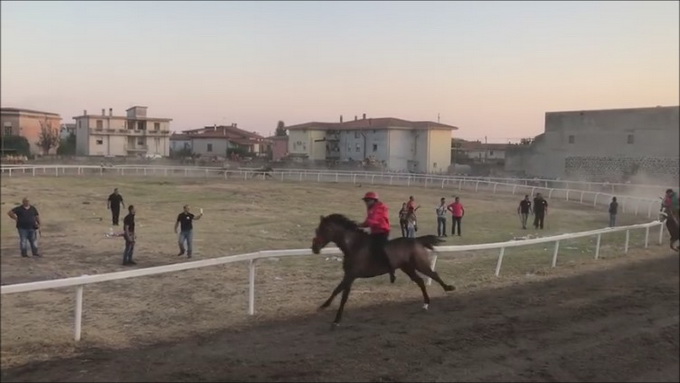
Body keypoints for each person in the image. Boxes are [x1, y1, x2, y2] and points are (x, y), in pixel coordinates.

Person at [358, 191, 395, 284]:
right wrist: (358, 225)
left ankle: (390, 267)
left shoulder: (380, 207)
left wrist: (365, 224)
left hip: (383, 232)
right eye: (365, 200)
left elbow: (373, 220)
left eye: (368, 200)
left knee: (379, 248)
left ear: (374, 200)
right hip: (375, 232)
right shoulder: (371, 208)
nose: (366, 202)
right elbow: (368, 222)